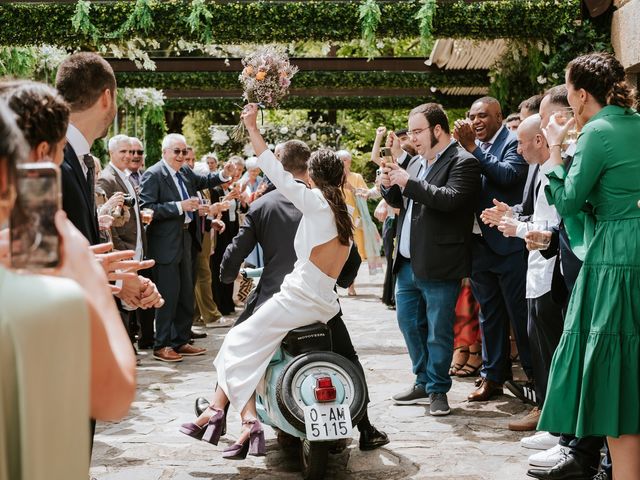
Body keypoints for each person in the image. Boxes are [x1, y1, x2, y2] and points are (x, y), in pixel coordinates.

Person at [181, 103, 354, 460]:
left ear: (312, 175)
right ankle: (234, 420)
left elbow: (271, 166)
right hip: (324, 304)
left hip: (296, 299)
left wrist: (252, 126)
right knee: (258, 351)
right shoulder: (343, 211)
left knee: (233, 343)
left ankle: (222, 413)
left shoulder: (314, 202)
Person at [0, 99, 135, 480]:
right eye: (59, 153)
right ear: (40, 159)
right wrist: (87, 277)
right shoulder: (49, 280)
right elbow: (113, 396)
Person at [536, 52, 640, 480]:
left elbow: (569, 201)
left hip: (616, 253)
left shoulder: (596, 132)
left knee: (615, 373)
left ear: (579, 95)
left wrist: (555, 148)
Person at [381, 103, 481, 415]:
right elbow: (403, 200)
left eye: (417, 131)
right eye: (410, 131)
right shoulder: (416, 162)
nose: (412, 138)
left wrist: (406, 182)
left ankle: (438, 389)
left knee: (439, 330)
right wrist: (388, 186)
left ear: (437, 130)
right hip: (407, 261)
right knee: (408, 323)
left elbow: (449, 200)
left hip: (440, 261)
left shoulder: (464, 162)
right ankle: (422, 379)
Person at [453, 96, 532, 402]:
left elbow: (509, 176)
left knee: (519, 314)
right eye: (472, 116)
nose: (476, 122)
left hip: (509, 244)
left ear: (499, 116)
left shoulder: (514, 143)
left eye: (483, 115)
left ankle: (534, 378)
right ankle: (493, 377)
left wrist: (472, 148)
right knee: (489, 315)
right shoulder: (471, 145)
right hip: (479, 245)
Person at [139, 133, 233, 363]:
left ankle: (180, 340)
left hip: (187, 239)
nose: (181, 156)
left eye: (184, 152)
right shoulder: (154, 174)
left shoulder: (184, 172)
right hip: (165, 243)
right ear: (165, 152)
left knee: (185, 293)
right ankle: (162, 344)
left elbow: (204, 182)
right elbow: (146, 209)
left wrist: (224, 174)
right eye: (177, 152)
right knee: (168, 295)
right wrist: (179, 207)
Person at [338, 149, 382, 295]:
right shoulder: (334, 177)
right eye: (340, 160)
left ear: (349, 162)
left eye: (345, 160)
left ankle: (351, 285)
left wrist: (351, 188)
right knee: (339, 253)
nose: (343, 162)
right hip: (338, 219)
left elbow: (365, 195)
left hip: (355, 220)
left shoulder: (356, 177)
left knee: (355, 254)